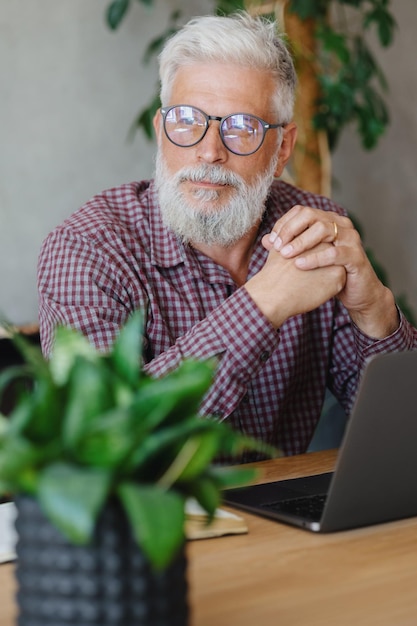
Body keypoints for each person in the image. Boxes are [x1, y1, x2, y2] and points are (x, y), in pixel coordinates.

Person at [38, 12, 417, 459]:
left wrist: (375, 309)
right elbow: (100, 443)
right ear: (161, 133)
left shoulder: (315, 234)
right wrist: (264, 304)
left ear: (282, 150)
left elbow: (405, 432)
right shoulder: (87, 248)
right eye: (186, 120)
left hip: (284, 520)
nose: (209, 151)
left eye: (241, 128)